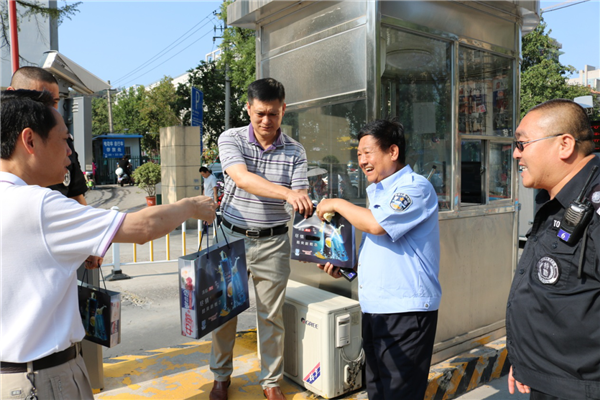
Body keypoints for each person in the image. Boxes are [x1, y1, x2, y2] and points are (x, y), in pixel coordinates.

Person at [0, 89, 216, 399]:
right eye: (64, 139)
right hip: (41, 379)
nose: (70, 152)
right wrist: (190, 206)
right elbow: (142, 227)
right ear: (30, 140)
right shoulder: (39, 205)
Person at [316, 119, 441, 399]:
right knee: (378, 392)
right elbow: (379, 253)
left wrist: (337, 203)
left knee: (400, 394)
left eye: (368, 152)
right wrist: (347, 269)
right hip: (375, 311)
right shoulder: (379, 193)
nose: (362, 161)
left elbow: (376, 225)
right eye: (358, 154)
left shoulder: (415, 187)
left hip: (406, 313)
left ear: (393, 151)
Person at [209, 78, 313, 400]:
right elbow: (241, 178)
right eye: (260, 113)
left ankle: (270, 382)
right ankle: (220, 376)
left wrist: (306, 205)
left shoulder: (295, 151)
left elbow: (300, 195)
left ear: (284, 110)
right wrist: (287, 193)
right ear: (248, 109)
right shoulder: (231, 138)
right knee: (224, 313)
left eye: (273, 114)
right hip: (231, 238)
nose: (267, 121)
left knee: (270, 315)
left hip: (273, 242)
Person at [506, 99, 600, 400]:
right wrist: (528, 359)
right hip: (549, 379)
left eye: (522, 144)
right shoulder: (555, 200)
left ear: (564, 145)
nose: (516, 153)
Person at [8, 66, 103, 270]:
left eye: (54, 102)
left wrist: (91, 242)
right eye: (39, 101)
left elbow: (75, 194)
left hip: (56, 259)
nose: (48, 110)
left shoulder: (62, 143)